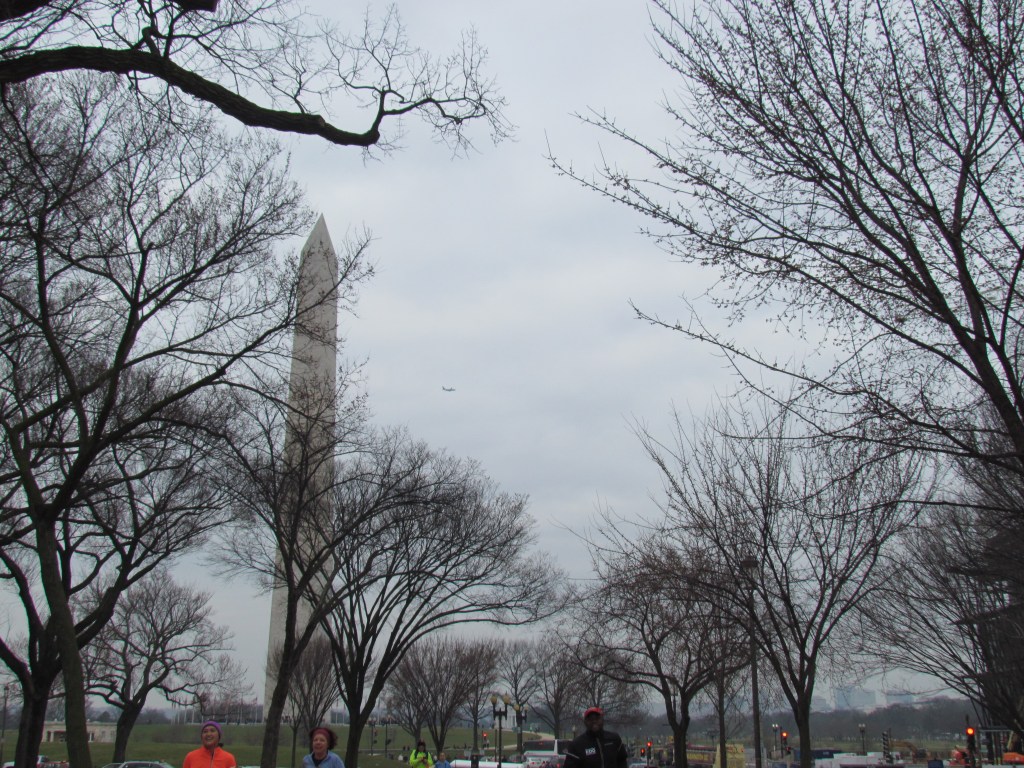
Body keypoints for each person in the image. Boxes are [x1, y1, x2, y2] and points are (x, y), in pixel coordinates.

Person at [562, 707, 628, 768]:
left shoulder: (614, 739)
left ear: (602, 720)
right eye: (590, 719)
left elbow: (622, 761)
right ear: (585, 722)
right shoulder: (576, 744)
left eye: (597, 718)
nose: (594, 721)